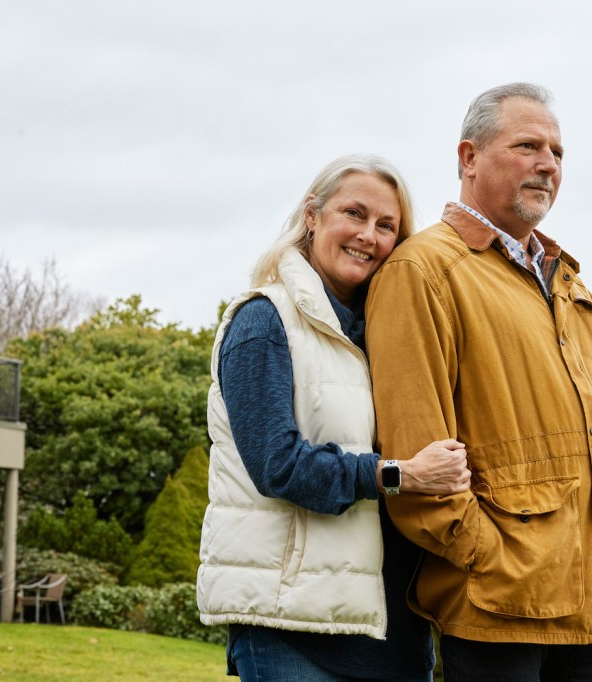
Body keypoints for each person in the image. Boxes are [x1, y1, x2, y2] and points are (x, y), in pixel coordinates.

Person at [365, 84, 592, 681]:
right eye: (528, 146)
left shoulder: (569, 282)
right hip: (498, 604)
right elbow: (416, 448)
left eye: (557, 152)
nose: (548, 164)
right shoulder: (422, 271)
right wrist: (486, 556)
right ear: (469, 158)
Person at [197, 154, 471, 682]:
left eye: (386, 225)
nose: (368, 235)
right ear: (312, 216)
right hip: (291, 629)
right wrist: (401, 475)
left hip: (394, 629)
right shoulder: (263, 322)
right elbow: (277, 465)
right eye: (354, 213)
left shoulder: (389, 335)